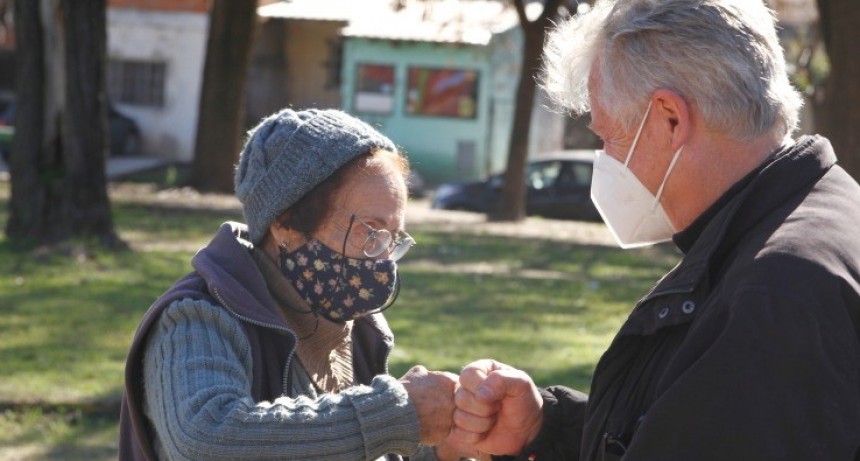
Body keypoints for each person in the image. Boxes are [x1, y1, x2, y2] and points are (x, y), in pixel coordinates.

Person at [452, 0, 860, 460]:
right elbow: (705, 428)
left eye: (607, 137)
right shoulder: (804, 219)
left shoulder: (775, 294)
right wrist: (551, 427)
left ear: (669, 117)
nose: (605, 159)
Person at [118, 108, 467, 460]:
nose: (382, 259)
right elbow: (207, 443)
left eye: (392, 238)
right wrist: (394, 416)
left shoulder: (356, 327)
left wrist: (443, 450)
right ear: (285, 224)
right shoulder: (194, 320)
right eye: (369, 231)